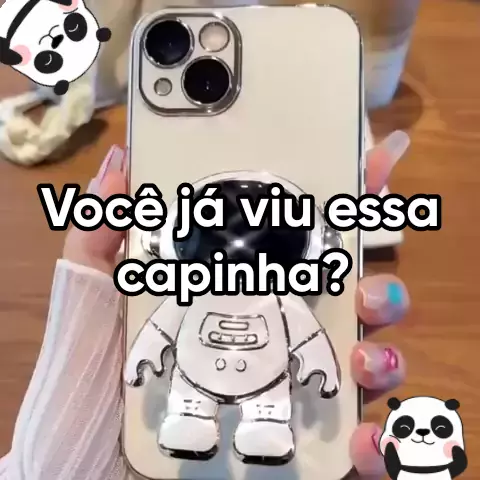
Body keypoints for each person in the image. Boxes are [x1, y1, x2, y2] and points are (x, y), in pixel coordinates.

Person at [0, 131, 411, 480]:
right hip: (203, 377)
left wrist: (322, 366)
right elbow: (161, 329)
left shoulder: (270, 298)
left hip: (255, 377)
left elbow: (307, 336)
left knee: (263, 411)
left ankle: (261, 424)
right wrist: (139, 359)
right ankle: (201, 421)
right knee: (194, 407)